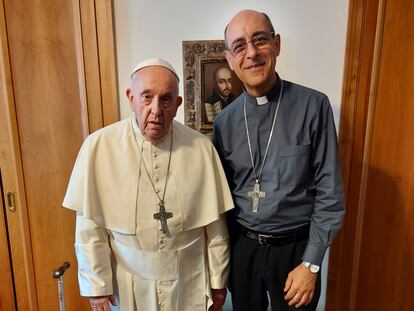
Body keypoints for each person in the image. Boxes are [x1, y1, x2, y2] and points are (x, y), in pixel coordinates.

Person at [63, 58, 234, 311]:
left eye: (166, 99)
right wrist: (96, 286)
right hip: (129, 281)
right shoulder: (98, 147)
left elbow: (216, 227)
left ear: (177, 104)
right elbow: (89, 228)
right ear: (130, 98)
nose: (156, 109)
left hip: (190, 280)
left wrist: (219, 282)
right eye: (146, 97)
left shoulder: (201, 148)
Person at [213, 9, 345, 311]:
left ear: (277, 44)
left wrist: (311, 264)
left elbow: (330, 194)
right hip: (243, 248)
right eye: (240, 46)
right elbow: (221, 200)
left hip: (296, 250)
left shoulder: (314, 106)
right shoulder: (224, 122)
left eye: (260, 40)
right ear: (230, 60)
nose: (252, 53)